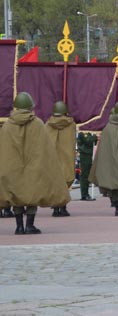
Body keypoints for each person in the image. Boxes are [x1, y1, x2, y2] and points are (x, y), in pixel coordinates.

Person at [0, 92, 68, 234]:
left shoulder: (7, 126)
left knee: (16, 195)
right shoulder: (37, 124)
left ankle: (19, 226)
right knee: (32, 194)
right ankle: (30, 225)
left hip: (13, 168)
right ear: (30, 107)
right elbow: (45, 148)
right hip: (33, 166)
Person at [45, 101, 77, 217]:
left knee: (55, 182)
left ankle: (55, 207)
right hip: (66, 159)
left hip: (52, 160)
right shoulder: (71, 124)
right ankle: (62, 207)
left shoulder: (48, 124)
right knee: (65, 182)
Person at [77, 130, 98, 201]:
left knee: (88, 175)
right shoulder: (82, 133)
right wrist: (94, 137)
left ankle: (86, 193)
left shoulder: (89, 133)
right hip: (84, 155)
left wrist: (95, 138)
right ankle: (84, 194)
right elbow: (88, 142)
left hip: (89, 155)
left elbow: (93, 143)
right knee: (84, 175)